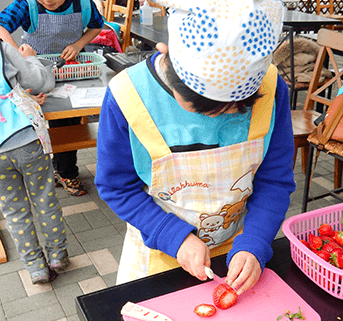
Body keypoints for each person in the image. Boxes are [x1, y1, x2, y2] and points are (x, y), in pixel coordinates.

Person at [95, 0, 296, 294]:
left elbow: (274, 181)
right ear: (167, 51)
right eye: (199, 106)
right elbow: (117, 187)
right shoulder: (128, 96)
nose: (218, 117)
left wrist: (255, 241)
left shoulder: (272, 88)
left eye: (235, 108)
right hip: (159, 247)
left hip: (240, 245)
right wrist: (174, 236)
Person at [0, 0, 105, 196]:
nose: (49, 1)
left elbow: (97, 25)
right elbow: (1, 25)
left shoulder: (83, 4)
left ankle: (66, 172)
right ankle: (28, 174)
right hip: (34, 73)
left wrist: (79, 44)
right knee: (29, 123)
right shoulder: (27, 5)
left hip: (69, 71)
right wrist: (18, 55)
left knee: (67, 120)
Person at [0, 40, 70, 284]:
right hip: (26, 139)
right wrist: (30, 58)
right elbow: (41, 82)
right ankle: (58, 256)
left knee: (14, 211)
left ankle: (36, 268)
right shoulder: (3, 48)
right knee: (44, 199)